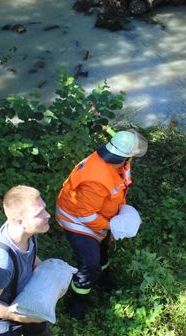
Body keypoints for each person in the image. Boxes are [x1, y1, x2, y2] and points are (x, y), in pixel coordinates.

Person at [56, 130, 147, 320]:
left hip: (98, 214)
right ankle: (76, 304)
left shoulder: (121, 162)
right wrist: (110, 227)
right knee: (90, 264)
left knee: (103, 249)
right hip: (76, 220)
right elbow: (87, 216)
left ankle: (104, 280)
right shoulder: (96, 179)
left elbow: (121, 190)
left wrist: (115, 219)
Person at [0, 185, 53, 336]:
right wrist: (24, 317)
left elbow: (31, 259)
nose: (47, 215)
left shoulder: (28, 232)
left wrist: (48, 275)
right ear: (19, 222)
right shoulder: (0, 263)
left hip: (22, 298)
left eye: (44, 208)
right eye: (39, 214)